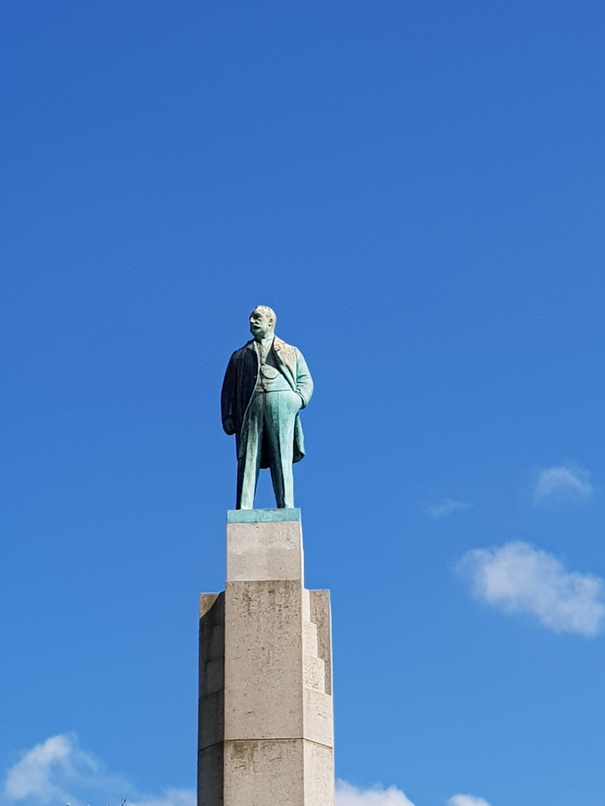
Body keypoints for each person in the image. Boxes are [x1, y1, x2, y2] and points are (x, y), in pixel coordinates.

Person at [221, 306, 313, 509]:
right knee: (248, 456)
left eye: (257, 318)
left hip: (282, 403)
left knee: (282, 455)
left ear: (270, 322)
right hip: (250, 406)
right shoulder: (239, 355)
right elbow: (228, 388)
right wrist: (228, 415)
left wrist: (298, 399)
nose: (252, 322)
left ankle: (286, 504)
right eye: (251, 318)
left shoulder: (291, 351)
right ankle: (244, 506)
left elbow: (305, 380)